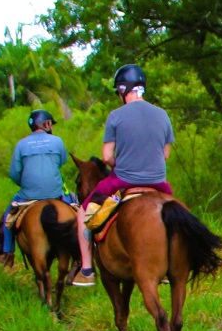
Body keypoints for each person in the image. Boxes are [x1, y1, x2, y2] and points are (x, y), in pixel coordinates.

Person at [72, 64, 174, 286]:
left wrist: (123, 162)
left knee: (82, 213)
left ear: (122, 89)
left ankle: (87, 269)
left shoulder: (116, 116)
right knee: (177, 213)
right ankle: (169, 265)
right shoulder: (163, 115)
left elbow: (107, 156)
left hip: (124, 179)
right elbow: (165, 154)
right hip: (159, 182)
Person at [0, 108, 72, 267]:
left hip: (28, 193)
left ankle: (7, 252)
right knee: (77, 209)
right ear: (47, 124)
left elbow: (14, 173)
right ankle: (85, 254)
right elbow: (62, 161)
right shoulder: (57, 141)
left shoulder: (21, 145)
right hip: (55, 192)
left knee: (8, 217)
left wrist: (28, 184)